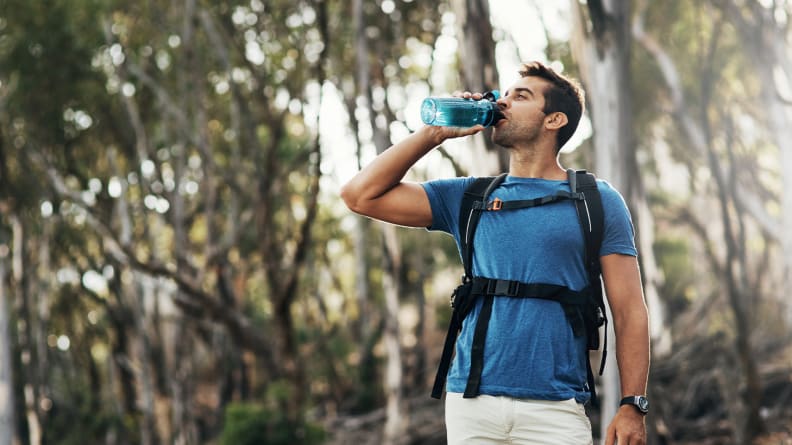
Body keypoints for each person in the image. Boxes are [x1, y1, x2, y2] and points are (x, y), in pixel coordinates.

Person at [340, 61, 649, 445]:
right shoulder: (468, 197)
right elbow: (359, 195)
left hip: (555, 408)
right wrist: (433, 133)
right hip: (471, 405)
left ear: (554, 120)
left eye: (520, 96)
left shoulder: (596, 201)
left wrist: (632, 404)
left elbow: (630, 310)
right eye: (503, 94)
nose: (502, 102)